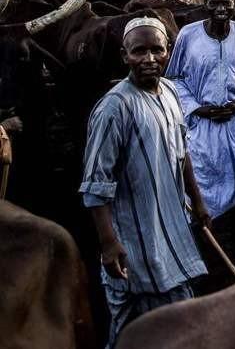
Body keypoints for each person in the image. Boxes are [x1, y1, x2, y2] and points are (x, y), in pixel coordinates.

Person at [80, 18, 210, 348]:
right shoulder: (114, 107)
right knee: (129, 334)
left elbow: (182, 153)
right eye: (140, 51)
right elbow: (96, 184)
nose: (149, 59)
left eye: (157, 50)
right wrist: (109, 243)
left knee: (177, 329)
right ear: (125, 55)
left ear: (168, 52)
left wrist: (197, 200)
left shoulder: (169, 93)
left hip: (172, 233)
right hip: (134, 250)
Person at [166, 0, 235, 266]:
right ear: (206, 5)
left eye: (228, 2)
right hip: (202, 126)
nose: (222, 8)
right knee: (201, 185)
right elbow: (173, 79)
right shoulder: (188, 35)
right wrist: (197, 109)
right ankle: (203, 248)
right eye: (216, 3)